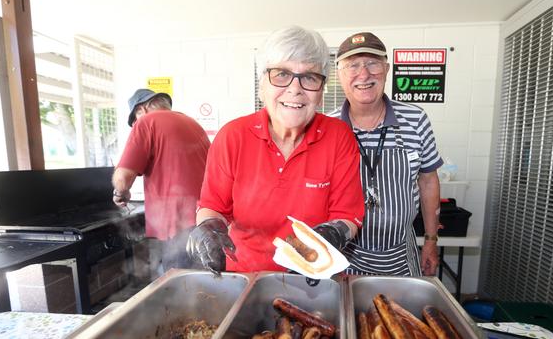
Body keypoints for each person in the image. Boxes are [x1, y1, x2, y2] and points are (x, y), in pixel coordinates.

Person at [186, 26, 364, 274]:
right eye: (281, 74)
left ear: (321, 90)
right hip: (245, 277)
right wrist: (209, 227)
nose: (295, 89)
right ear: (262, 85)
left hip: (315, 277)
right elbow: (212, 205)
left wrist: (332, 234)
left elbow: (347, 214)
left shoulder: (339, 136)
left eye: (310, 77)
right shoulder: (232, 136)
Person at [329, 32, 444, 276]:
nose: (364, 74)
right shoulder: (327, 127)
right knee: (347, 314)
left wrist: (431, 240)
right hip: (342, 256)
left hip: (401, 253)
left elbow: (428, 181)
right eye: (353, 65)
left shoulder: (416, 119)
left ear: (387, 68)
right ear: (339, 75)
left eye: (372, 63)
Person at [112, 88, 211, 277]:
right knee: (207, 285)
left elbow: (123, 179)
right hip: (207, 221)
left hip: (179, 225)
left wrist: (120, 193)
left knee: (182, 287)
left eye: (134, 119)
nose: (135, 124)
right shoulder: (192, 123)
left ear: (142, 108)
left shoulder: (146, 122)